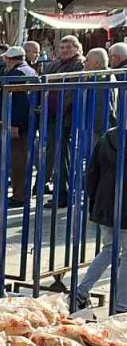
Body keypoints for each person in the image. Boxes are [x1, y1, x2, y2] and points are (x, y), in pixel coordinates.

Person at [75, 127, 127, 313]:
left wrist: (95, 202)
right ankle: (122, 306)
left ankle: (81, 291)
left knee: (108, 249)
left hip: (106, 204)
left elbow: (91, 173)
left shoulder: (107, 137)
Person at [44, 35, 86, 208]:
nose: (65, 51)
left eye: (69, 47)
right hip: (53, 114)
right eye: (62, 48)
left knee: (62, 155)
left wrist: (61, 108)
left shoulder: (79, 64)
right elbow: (45, 80)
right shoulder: (55, 64)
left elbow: (70, 91)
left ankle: (63, 193)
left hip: (67, 116)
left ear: (77, 48)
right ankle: (60, 191)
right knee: (57, 154)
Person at [0, 45, 39, 208]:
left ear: (10, 59)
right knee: (23, 160)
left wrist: (14, 124)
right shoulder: (30, 71)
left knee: (18, 161)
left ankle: (20, 195)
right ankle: (21, 193)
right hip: (28, 123)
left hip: (19, 125)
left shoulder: (17, 74)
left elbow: (20, 103)